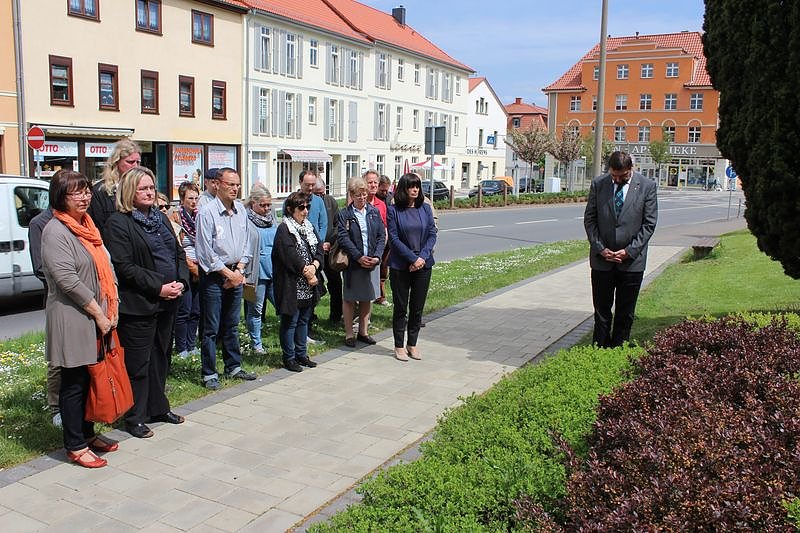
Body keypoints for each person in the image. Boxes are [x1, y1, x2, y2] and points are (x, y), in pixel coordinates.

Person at [41, 169, 120, 468]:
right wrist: (99, 313)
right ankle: (74, 444)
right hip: (73, 317)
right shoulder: (55, 231)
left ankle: (88, 434)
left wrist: (110, 307)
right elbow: (67, 280)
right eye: (77, 192)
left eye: (86, 190)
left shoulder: (87, 225)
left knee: (91, 379)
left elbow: (104, 268)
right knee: (73, 382)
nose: (85, 196)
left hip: (94, 315)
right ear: (61, 197)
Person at [104, 167, 190, 438]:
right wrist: (159, 287)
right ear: (130, 191)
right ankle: (135, 416)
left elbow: (177, 252)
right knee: (139, 364)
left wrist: (181, 281)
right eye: (143, 188)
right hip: (139, 304)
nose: (150, 192)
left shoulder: (160, 218)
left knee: (161, 357)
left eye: (152, 187)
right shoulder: (119, 223)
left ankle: (158, 407)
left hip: (168, 301)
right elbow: (125, 266)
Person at [584, 151, 658, 348]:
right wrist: (600, 249)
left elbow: (649, 224)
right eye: (613, 176)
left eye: (622, 176)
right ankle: (599, 349)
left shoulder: (647, 187)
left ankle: (619, 349)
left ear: (630, 170)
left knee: (625, 313)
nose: (617, 180)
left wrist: (629, 251)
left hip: (631, 263)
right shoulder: (599, 185)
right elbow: (590, 220)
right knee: (601, 311)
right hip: (602, 261)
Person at [195, 167, 256, 389]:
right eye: (231, 184)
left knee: (231, 323)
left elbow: (247, 243)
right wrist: (228, 273)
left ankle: (233, 365)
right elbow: (204, 251)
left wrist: (239, 270)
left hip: (236, 273)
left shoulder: (241, 210)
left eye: (238, 184)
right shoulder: (207, 212)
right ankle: (209, 372)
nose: (235, 188)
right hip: (215, 276)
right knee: (211, 327)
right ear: (218, 184)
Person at [387, 173, 437, 362]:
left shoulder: (425, 208)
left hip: (423, 265)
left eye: (417, 186)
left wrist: (422, 258)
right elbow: (393, 238)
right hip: (401, 265)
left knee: (417, 308)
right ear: (403, 189)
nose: (415, 189)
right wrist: (411, 259)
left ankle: (412, 344)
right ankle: (399, 346)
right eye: (411, 186)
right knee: (401, 307)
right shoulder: (394, 210)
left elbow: (432, 233)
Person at [272, 191, 324, 372]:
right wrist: (306, 271)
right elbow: (289, 255)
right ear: (290, 209)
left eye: (307, 207)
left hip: (308, 284)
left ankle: (302, 354)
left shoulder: (308, 227)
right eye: (301, 207)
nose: (305, 211)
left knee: (304, 320)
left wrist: (315, 266)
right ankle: (289, 357)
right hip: (291, 284)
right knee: (290, 322)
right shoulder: (284, 229)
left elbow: (319, 248)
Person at [337, 177, 385, 347]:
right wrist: (358, 256)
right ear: (351, 195)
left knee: (368, 297)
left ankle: (363, 332)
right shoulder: (345, 215)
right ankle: (349, 334)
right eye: (358, 195)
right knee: (350, 298)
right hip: (354, 263)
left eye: (365, 194)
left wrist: (377, 257)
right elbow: (343, 237)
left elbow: (381, 236)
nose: (362, 198)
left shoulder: (373, 212)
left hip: (372, 261)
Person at [28, 206, 61, 427]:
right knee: (58, 359)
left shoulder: (82, 220)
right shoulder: (40, 223)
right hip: (59, 298)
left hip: (87, 298)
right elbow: (41, 267)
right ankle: (56, 408)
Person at [244, 183, 277, 355]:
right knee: (255, 310)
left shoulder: (273, 218)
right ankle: (256, 343)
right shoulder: (246, 219)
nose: (266, 209)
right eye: (262, 205)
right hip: (256, 272)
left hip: (274, 270)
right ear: (253, 204)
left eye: (268, 205)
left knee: (282, 305)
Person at [170, 181, 201, 359]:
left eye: (196, 198)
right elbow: (177, 246)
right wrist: (191, 267)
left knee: (196, 310)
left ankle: (191, 344)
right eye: (190, 198)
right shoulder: (176, 217)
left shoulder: (199, 217)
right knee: (185, 309)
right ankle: (181, 347)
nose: (194, 201)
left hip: (200, 267)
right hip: (185, 268)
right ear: (182, 199)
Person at [298, 169, 328, 343]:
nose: (310, 188)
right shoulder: (293, 200)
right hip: (299, 251)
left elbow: (323, 223)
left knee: (314, 290)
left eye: (312, 185)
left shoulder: (318, 201)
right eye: (307, 184)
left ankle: (308, 324)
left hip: (315, 251)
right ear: (300, 182)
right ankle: (302, 329)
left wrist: (319, 243)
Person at [88, 138, 141, 231]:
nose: (135, 166)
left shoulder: (143, 188)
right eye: (130, 162)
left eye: (138, 162)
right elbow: (97, 225)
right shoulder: (100, 191)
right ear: (116, 162)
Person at [314, 177, 343, 324]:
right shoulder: (308, 202)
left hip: (330, 250)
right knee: (313, 283)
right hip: (314, 251)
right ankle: (310, 317)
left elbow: (338, 225)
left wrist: (330, 243)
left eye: (321, 193)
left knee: (336, 284)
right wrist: (319, 244)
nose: (319, 196)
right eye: (316, 193)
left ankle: (336, 316)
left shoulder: (330, 201)